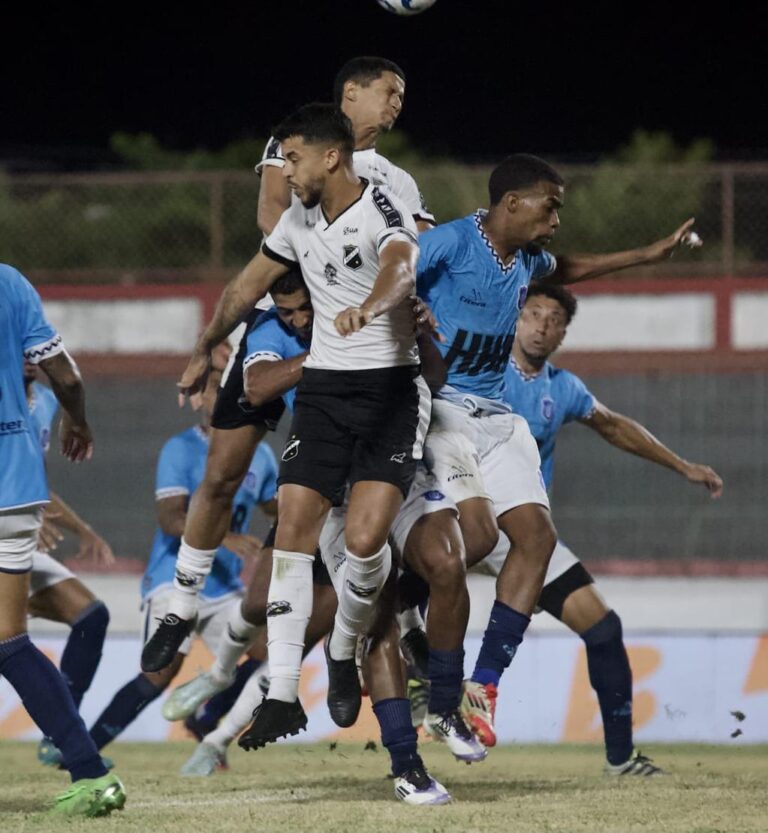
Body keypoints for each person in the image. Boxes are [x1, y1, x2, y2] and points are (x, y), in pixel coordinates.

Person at [143, 103, 434, 752]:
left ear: (331, 157)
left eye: (292, 159)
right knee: (295, 534)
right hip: (326, 391)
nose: (284, 172)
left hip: (388, 395)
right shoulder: (299, 220)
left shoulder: (382, 208)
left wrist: (370, 307)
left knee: (364, 546)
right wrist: (205, 345)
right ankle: (279, 693)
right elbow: (245, 287)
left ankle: (345, 644)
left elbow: (399, 267)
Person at [415, 153, 703, 748]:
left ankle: (482, 687)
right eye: (551, 207)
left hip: (494, 419)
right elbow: (388, 277)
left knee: (539, 540)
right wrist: (398, 309)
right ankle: (411, 646)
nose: (556, 220)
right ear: (512, 203)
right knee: (468, 543)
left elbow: (567, 267)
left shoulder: (530, 272)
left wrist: (647, 255)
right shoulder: (448, 244)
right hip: (443, 410)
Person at [471, 281, 722, 774]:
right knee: (396, 593)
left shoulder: (562, 389)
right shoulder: (481, 371)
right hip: (465, 519)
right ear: (516, 318)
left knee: (603, 629)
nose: (542, 325)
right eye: (534, 313)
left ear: (563, 333)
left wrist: (682, 465)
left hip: (522, 538)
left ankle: (620, 760)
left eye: (554, 320)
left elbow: (613, 424)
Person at [87, 356, 276, 755]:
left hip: (223, 586)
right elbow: (172, 519)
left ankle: (205, 716)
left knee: (270, 656)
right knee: (158, 675)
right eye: (216, 390)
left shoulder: (259, 455)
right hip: (173, 579)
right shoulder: (181, 449)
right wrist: (224, 538)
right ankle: (86, 747)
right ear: (199, 399)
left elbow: (279, 512)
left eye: (231, 391)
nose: (223, 398)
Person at [0, 263, 126, 817]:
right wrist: (80, 420)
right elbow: (68, 378)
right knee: (9, 641)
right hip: (17, 491)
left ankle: (84, 763)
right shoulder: (11, 282)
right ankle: (88, 769)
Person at [23, 364, 115, 767]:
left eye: (33, 345)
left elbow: (34, 481)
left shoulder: (44, 402)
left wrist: (83, 530)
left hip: (14, 539)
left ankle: (60, 738)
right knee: (11, 644)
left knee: (91, 617)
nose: (29, 353)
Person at [257, 55, 434, 235]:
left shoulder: (398, 179)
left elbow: (425, 237)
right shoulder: (295, 139)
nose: (397, 104)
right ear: (351, 91)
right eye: (390, 92)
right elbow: (270, 210)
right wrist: (312, 252)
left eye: (400, 98)